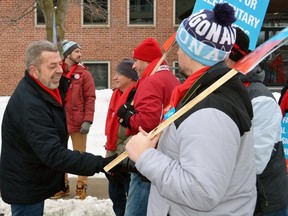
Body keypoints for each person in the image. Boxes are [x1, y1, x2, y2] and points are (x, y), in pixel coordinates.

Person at [125, 3, 257, 215]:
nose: (176, 51)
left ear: (191, 50)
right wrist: (162, 145)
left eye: (180, 45)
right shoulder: (202, 92)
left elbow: (202, 192)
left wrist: (146, 156)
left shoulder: (210, 110)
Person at [0, 40, 116, 216]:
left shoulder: (45, 88)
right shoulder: (31, 105)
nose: (60, 70)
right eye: (52, 66)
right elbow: (54, 154)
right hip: (25, 186)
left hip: (33, 178)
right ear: (34, 71)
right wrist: (102, 164)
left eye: (60, 64)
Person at [116, 38, 181, 216]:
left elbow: (147, 124)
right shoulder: (172, 79)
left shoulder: (150, 82)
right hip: (166, 155)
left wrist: (128, 118)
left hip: (148, 158)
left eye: (136, 61)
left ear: (146, 61)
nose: (134, 66)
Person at [229, 28, 288, 215]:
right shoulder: (226, 91)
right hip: (238, 201)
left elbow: (256, 162)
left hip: (265, 203)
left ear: (230, 57)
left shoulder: (260, 98)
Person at [52, 39, 96, 200]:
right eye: (76, 51)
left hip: (78, 121)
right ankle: (62, 186)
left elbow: (90, 98)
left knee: (79, 155)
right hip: (60, 121)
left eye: (80, 51)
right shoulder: (57, 72)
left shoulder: (85, 74)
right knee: (59, 154)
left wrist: (88, 120)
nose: (80, 54)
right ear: (67, 54)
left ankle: (81, 185)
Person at [105, 58, 139, 216]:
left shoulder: (137, 96)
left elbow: (137, 129)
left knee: (129, 201)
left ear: (131, 76)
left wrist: (121, 156)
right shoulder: (116, 95)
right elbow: (112, 129)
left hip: (126, 159)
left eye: (119, 74)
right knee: (116, 198)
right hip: (113, 155)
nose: (114, 77)